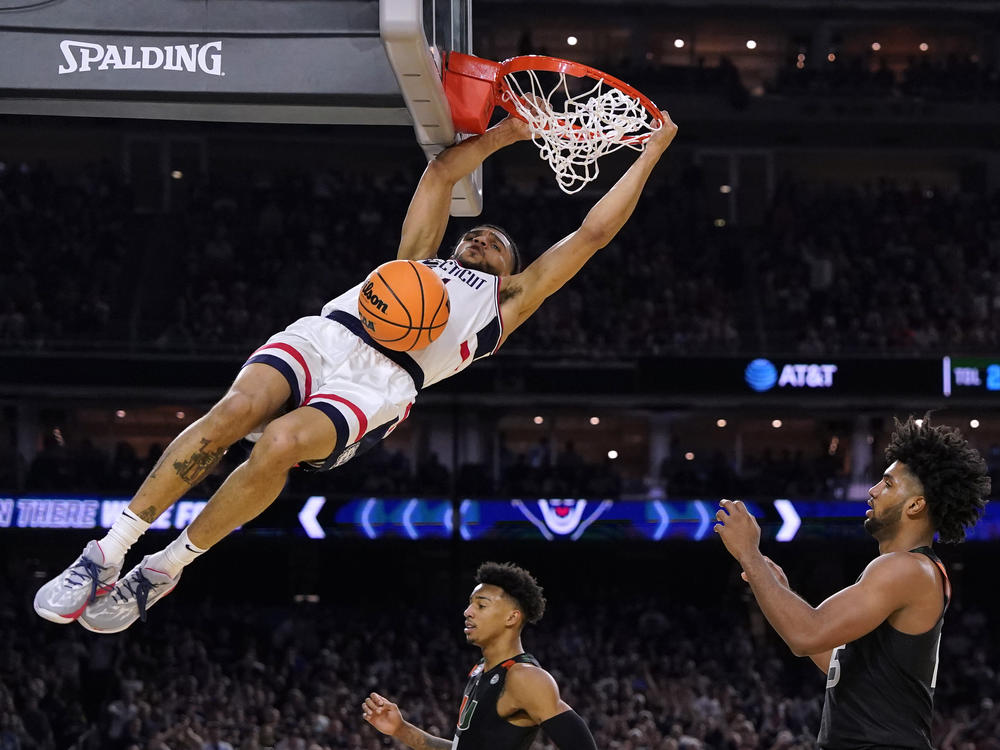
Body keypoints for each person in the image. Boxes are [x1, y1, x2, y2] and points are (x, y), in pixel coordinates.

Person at [33, 109, 678, 632]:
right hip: (329, 334)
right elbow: (443, 171)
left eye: (497, 242)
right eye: (475, 235)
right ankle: (106, 553)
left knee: (280, 446)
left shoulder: (506, 303)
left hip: (382, 382)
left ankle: (166, 568)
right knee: (230, 416)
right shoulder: (418, 260)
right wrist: (509, 132)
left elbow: (592, 233)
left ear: (511, 269)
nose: (482, 239)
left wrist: (651, 149)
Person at [715, 416, 990, 749]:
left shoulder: (906, 569)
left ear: (916, 505)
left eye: (887, 484)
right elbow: (836, 660)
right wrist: (780, 591)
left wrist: (749, 554)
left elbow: (805, 634)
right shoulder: (910, 570)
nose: (872, 491)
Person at [361, 562, 598, 750]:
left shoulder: (524, 677)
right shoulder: (481, 669)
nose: (467, 612)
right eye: (470, 604)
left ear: (511, 618)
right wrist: (401, 730)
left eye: (481, 606)